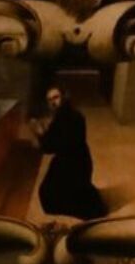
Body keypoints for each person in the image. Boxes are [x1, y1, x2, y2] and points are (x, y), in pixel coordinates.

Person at [33, 86, 107, 220]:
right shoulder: (74, 115)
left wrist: (40, 133)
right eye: (49, 100)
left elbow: (49, 147)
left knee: (47, 194)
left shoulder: (64, 118)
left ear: (63, 97)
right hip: (81, 161)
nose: (53, 102)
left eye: (56, 97)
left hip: (71, 165)